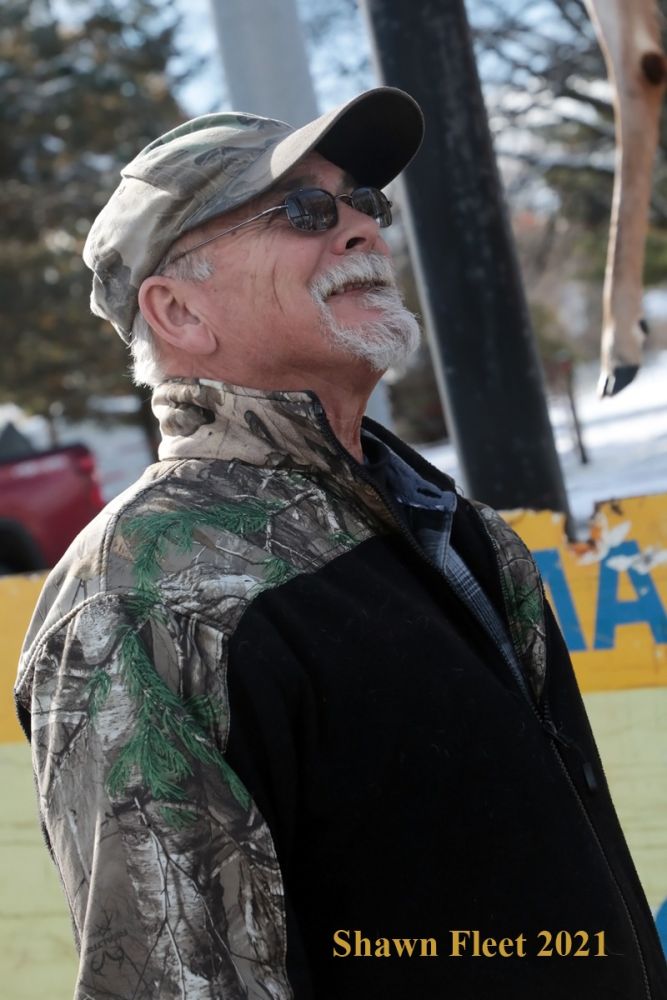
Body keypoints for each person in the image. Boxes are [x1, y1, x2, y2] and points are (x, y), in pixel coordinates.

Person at [14, 87, 667, 1000]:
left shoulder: (457, 529)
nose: (362, 229)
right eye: (301, 211)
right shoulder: (143, 593)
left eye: (362, 202)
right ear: (179, 312)